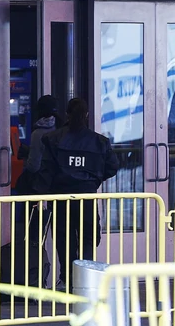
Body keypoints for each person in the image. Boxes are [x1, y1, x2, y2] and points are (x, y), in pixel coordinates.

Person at [38, 97, 119, 292]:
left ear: (67, 114)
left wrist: (42, 192)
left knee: (64, 240)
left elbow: (46, 170)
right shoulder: (100, 142)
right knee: (88, 238)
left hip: (60, 198)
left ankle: (67, 279)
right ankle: (86, 280)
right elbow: (112, 167)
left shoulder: (52, 139)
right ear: (87, 115)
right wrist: (93, 180)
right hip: (86, 197)